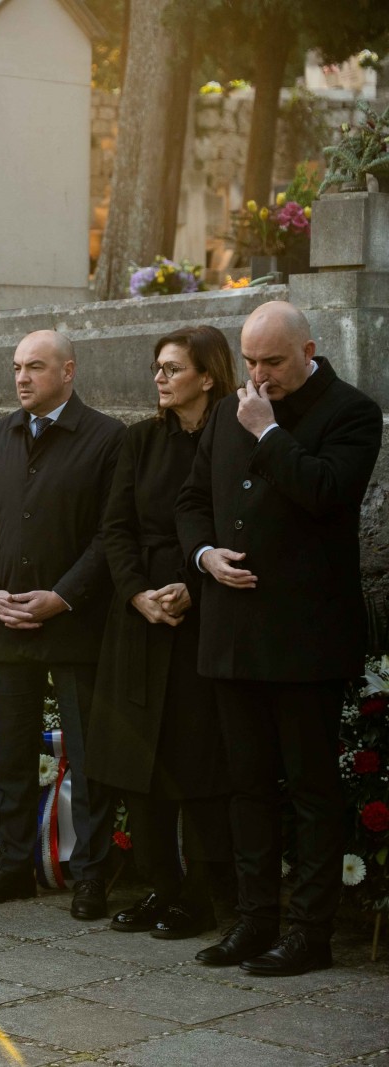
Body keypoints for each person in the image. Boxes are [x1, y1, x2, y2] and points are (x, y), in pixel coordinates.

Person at [177, 300, 383, 977]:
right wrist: (204, 554)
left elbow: (326, 491)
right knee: (247, 788)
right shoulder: (234, 407)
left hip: (304, 638)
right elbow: (190, 499)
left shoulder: (350, 411)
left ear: (308, 350)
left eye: (272, 361)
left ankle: (309, 930)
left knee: (312, 790)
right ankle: (254, 918)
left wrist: (267, 434)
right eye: (250, 362)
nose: (259, 376)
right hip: (232, 633)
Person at [0, 330, 123, 918]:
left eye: (36, 367)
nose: (22, 378)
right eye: (17, 367)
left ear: (69, 371)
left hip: (75, 624)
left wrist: (64, 596)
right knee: (13, 748)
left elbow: (111, 534)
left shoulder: (106, 438)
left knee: (90, 752)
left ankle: (92, 875)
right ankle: (13, 868)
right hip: (7, 622)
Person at [91, 326, 237, 940]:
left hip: (202, 612)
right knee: (139, 761)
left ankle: (203, 895)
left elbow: (232, 521)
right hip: (142, 614)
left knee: (195, 760)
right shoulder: (139, 440)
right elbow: (116, 527)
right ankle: (162, 886)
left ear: (208, 375)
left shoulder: (232, 438)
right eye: (156, 367)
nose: (159, 378)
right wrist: (135, 594)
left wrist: (188, 586)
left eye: (173, 368)